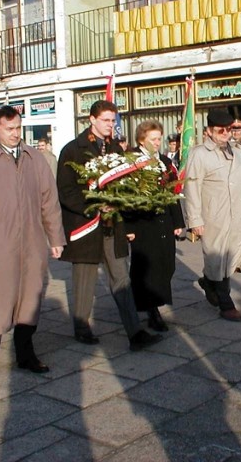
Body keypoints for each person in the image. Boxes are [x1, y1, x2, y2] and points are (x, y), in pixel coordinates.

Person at [0, 105, 66, 373]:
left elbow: (49, 201)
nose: (15, 134)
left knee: (31, 297)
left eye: (18, 128)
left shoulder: (35, 158)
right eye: (9, 129)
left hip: (33, 241)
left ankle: (25, 353)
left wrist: (56, 238)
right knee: (0, 294)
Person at [57, 99, 162, 350]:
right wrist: (92, 205)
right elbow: (66, 190)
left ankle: (135, 332)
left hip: (112, 224)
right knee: (85, 279)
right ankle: (81, 327)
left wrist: (123, 200)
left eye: (113, 121)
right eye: (105, 120)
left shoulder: (116, 149)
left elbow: (125, 182)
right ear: (91, 120)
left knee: (121, 276)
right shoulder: (73, 149)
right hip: (86, 224)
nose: (109, 125)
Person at [184, 108, 241, 322]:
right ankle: (226, 303)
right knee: (216, 256)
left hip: (237, 214)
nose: (226, 133)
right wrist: (195, 220)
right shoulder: (199, 154)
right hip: (213, 215)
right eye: (220, 130)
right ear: (208, 131)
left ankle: (209, 283)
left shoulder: (239, 151)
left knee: (232, 256)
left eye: (229, 129)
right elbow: (191, 189)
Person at [123, 120, 185, 332]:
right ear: (141, 139)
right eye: (153, 139)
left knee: (167, 263)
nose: (158, 143)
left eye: (159, 138)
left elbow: (173, 192)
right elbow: (125, 197)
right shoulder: (132, 162)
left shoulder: (166, 162)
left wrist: (177, 221)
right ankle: (151, 311)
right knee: (147, 267)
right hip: (143, 223)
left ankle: (152, 302)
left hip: (164, 221)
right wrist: (128, 226)